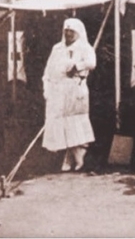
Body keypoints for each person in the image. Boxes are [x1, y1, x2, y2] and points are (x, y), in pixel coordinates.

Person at [42, 18, 96, 171]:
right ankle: (69, 157)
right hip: (58, 91)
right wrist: (47, 88)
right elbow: (48, 70)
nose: (68, 34)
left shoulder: (84, 47)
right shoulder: (57, 48)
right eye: (66, 30)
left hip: (75, 90)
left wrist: (77, 66)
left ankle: (77, 157)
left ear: (78, 32)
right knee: (62, 123)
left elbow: (92, 63)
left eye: (72, 31)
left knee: (74, 122)